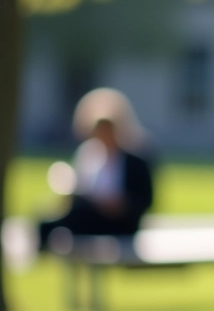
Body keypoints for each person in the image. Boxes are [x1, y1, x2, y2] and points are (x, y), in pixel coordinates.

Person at [38, 88, 155, 250]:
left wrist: (122, 205)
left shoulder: (136, 160)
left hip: (121, 223)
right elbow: (81, 190)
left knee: (76, 217)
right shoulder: (89, 153)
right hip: (89, 216)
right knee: (46, 223)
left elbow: (146, 199)